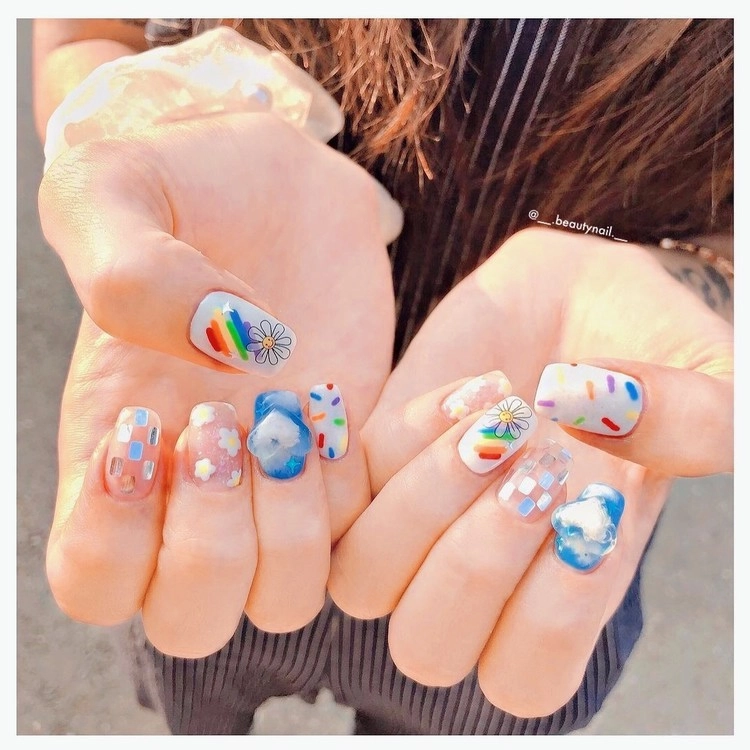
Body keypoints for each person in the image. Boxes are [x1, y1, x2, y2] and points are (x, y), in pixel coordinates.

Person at [32, 19, 733, 734]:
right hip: (211, 488)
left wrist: (705, 279)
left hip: (517, 569)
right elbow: (88, 33)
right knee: (195, 677)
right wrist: (152, 149)